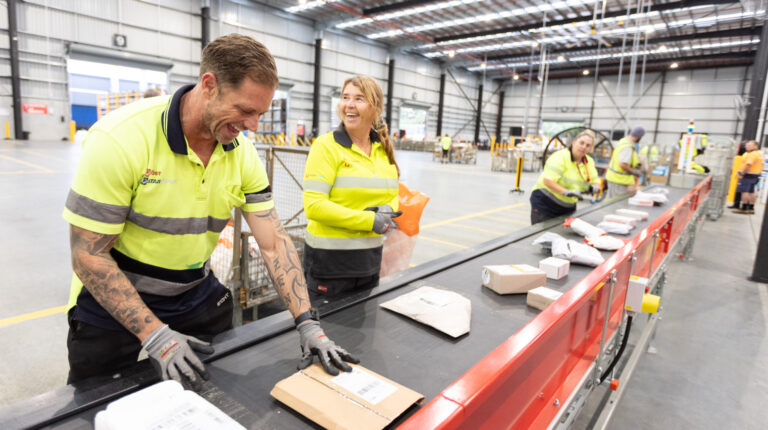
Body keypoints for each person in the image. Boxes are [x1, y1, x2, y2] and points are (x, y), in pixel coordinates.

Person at [62, 34, 358, 389]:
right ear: (208, 85)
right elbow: (88, 254)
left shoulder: (241, 154)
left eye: (260, 114)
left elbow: (274, 243)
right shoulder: (121, 139)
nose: (252, 126)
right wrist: (156, 336)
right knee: (99, 399)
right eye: (245, 110)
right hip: (115, 293)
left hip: (191, 289)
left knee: (214, 390)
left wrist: (307, 323)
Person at [302, 75, 400, 298]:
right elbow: (314, 206)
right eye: (345, 97)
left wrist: (388, 210)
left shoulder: (382, 150)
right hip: (329, 267)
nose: (349, 104)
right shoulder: (326, 147)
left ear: (376, 108)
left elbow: (392, 193)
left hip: (369, 263)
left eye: (359, 99)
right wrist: (370, 221)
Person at [530, 130, 601, 224]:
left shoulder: (589, 162)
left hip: (568, 206)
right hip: (546, 202)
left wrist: (595, 187)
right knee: (543, 232)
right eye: (581, 143)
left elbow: (595, 180)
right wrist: (566, 192)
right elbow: (547, 180)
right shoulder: (560, 157)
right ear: (574, 143)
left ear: (590, 149)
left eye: (588, 145)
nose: (584, 147)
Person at [606, 126, 644, 198]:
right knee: (617, 202)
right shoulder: (627, 147)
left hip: (614, 178)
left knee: (610, 200)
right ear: (639, 136)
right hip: (619, 180)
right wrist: (634, 171)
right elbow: (623, 164)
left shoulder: (623, 141)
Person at [733, 140, 763, 214]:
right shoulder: (759, 154)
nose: (746, 146)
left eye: (749, 145)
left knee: (744, 191)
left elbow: (748, 165)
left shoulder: (752, 154)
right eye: (746, 145)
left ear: (755, 146)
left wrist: (742, 174)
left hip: (748, 175)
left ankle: (744, 208)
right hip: (755, 175)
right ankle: (751, 208)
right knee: (751, 192)